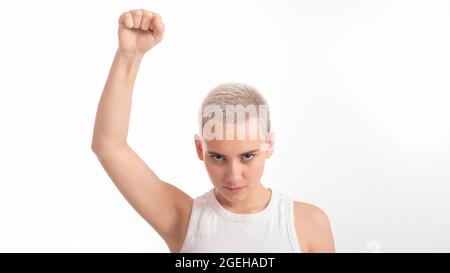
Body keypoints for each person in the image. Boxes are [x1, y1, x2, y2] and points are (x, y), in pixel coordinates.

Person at [91, 9, 335, 253]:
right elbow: (109, 146)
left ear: (269, 144)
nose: (233, 176)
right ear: (200, 148)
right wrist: (129, 54)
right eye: (218, 157)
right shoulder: (184, 220)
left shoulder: (308, 224)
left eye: (247, 156)